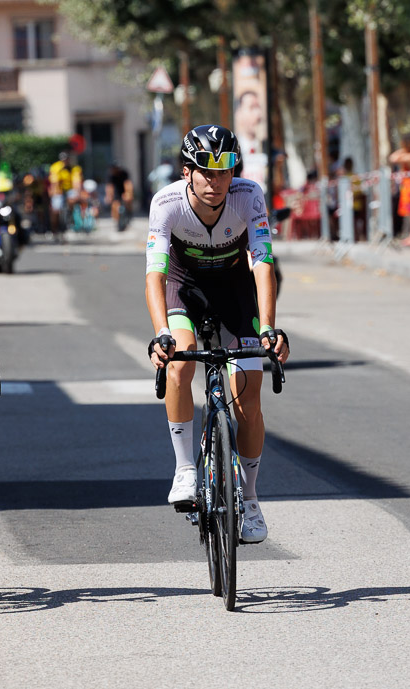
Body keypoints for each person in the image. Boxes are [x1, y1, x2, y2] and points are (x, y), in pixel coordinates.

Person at [145, 124, 289, 544]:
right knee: (179, 361)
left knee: (248, 395)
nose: (216, 181)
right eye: (206, 172)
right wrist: (160, 333)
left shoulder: (249, 195)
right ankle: (185, 468)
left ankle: (248, 495)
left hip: (233, 288)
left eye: (224, 171)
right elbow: (154, 274)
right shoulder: (167, 202)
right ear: (187, 171)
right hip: (182, 284)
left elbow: (262, 262)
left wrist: (268, 327)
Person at [49, 150, 83, 241]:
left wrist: (77, 194)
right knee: (55, 209)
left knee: (72, 198)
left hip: (70, 189)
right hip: (59, 189)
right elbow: (55, 183)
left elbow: (77, 183)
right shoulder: (55, 167)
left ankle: (70, 217)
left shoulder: (74, 168)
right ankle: (54, 229)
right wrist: (56, 192)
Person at [104, 161, 134, 230]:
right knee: (115, 206)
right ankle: (117, 220)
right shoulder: (110, 175)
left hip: (124, 191)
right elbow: (109, 187)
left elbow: (128, 184)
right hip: (116, 192)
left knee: (128, 200)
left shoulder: (124, 173)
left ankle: (129, 214)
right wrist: (109, 196)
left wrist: (129, 193)